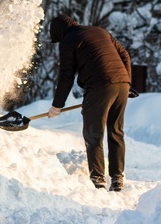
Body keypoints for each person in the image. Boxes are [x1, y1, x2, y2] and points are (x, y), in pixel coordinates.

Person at [47, 15, 132, 191]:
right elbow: (124, 54)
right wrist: (127, 82)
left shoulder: (68, 41)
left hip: (99, 87)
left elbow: (66, 76)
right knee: (116, 132)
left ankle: (98, 180)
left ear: (59, 33)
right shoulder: (99, 31)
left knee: (94, 134)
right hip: (122, 84)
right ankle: (117, 179)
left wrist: (57, 105)